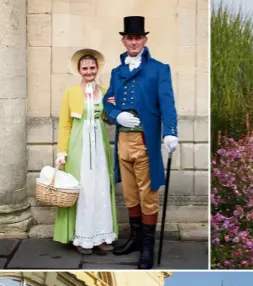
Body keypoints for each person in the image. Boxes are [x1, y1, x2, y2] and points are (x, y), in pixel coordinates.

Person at [103, 16, 179, 269]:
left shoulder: (159, 69)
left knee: (148, 193)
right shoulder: (116, 72)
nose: (133, 42)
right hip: (122, 140)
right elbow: (107, 101)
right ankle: (135, 239)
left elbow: (167, 102)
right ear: (124, 40)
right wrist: (116, 115)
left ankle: (147, 245)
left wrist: (170, 131)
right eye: (129, 38)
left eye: (137, 38)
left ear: (144, 40)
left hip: (144, 140)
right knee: (129, 193)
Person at [53, 49, 118, 254]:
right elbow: (65, 124)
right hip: (78, 147)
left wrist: (113, 109)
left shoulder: (106, 92)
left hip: (99, 146)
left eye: (92, 68)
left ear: (97, 69)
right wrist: (62, 152)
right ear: (79, 71)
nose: (89, 71)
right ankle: (81, 238)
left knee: (100, 188)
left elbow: (109, 120)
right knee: (83, 189)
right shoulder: (71, 93)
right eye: (85, 68)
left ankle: (100, 236)